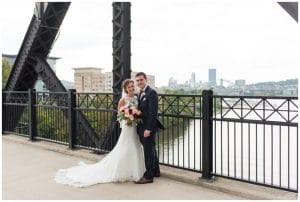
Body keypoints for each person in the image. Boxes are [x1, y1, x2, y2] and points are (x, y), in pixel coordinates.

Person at [54, 79, 146, 187]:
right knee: (126, 146)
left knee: (135, 145)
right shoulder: (123, 100)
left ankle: (133, 169)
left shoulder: (135, 98)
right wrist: (128, 116)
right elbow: (119, 114)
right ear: (125, 89)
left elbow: (138, 111)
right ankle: (121, 171)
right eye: (129, 87)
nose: (131, 88)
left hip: (134, 125)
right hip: (127, 126)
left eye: (132, 86)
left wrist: (134, 115)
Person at [135, 72, 162, 184]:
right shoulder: (140, 93)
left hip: (147, 128)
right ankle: (156, 171)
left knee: (148, 152)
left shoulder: (151, 92)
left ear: (146, 80)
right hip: (142, 125)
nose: (139, 82)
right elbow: (144, 111)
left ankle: (149, 176)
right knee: (152, 149)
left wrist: (148, 129)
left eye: (141, 80)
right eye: (137, 81)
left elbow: (152, 113)